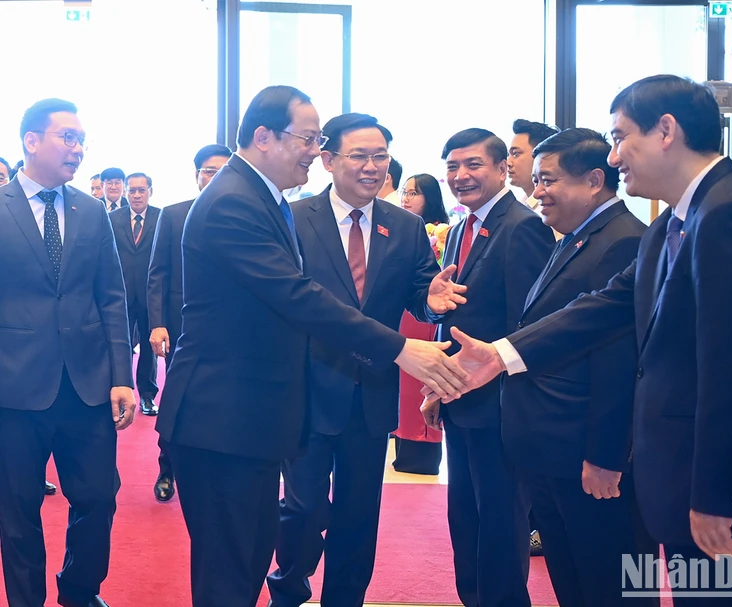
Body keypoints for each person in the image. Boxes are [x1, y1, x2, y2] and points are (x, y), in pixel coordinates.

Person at [428, 75, 732, 606]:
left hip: (722, 492)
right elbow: (601, 308)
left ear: (666, 130)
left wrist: (717, 495)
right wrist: (501, 356)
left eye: (621, 138)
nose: (616, 157)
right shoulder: (675, 221)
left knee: (731, 600)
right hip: (679, 479)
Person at [154, 85, 469, 607]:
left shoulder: (261, 197)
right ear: (263, 137)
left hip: (256, 414)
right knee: (232, 569)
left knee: (249, 555)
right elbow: (298, 297)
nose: (312, 149)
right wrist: (401, 349)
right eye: (308, 138)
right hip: (224, 415)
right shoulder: (236, 202)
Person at [268, 113, 466, 607]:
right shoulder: (294, 219)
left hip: (370, 392)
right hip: (309, 389)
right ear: (329, 159)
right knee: (303, 506)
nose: (372, 166)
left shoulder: (405, 226)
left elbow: (420, 289)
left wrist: (430, 300)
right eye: (359, 155)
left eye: (380, 156)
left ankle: (345, 599)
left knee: (360, 513)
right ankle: (288, 588)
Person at [506, 127, 654, 605]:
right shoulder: (574, 237)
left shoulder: (623, 242)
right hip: (554, 452)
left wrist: (606, 456)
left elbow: (618, 363)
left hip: (589, 458)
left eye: (547, 180)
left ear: (594, 180)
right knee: (573, 581)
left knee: (611, 584)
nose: (537, 192)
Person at [0, 98, 135, 607]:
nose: (78, 149)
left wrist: (122, 374)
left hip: (86, 385)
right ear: (31, 141)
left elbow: (112, 297)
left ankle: (79, 589)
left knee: (99, 497)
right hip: (13, 390)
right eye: (67, 138)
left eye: (81, 140)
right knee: (16, 512)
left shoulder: (92, 210)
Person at [435, 128, 555, 607]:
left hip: (500, 407)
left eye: (473, 165)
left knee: (502, 522)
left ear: (502, 168)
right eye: (452, 166)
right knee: (466, 517)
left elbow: (527, 324)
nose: (461, 176)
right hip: (460, 400)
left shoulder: (521, 226)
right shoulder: (461, 227)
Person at [147, 143, 232, 502]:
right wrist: (157, 323)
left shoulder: (242, 217)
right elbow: (157, 274)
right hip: (183, 329)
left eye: (224, 170)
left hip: (232, 331)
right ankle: (168, 467)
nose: (215, 177)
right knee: (178, 401)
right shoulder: (174, 214)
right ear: (196, 175)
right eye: (209, 170)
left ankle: (216, 470)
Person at [393, 173, 449, 475]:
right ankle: (403, 442)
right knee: (404, 383)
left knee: (422, 379)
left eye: (414, 193)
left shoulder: (441, 231)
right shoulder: (398, 228)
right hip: (403, 314)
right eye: (405, 191)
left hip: (426, 314)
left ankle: (423, 447)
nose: (407, 198)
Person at [109, 173, 160, 416]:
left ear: (151, 191)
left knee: (150, 349)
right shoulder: (111, 219)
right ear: (126, 192)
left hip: (152, 296)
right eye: (132, 191)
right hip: (120, 295)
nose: (137, 195)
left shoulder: (162, 218)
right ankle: (121, 391)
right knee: (121, 345)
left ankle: (147, 396)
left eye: (142, 190)